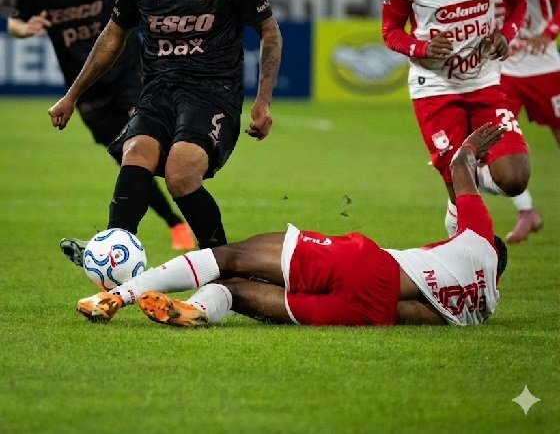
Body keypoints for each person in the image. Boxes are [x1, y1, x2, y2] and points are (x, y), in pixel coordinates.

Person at [76, 123, 508, 328]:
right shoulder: (481, 308)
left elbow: (460, 169)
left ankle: (117, 295)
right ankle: (200, 310)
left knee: (232, 257)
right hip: (369, 315)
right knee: (237, 292)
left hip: (367, 265)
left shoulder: (479, 243)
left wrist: (470, 148)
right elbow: (409, 312)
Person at [48, 0, 282, 263]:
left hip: (212, 92)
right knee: (135, 152)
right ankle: (113, 261)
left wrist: (263, 100)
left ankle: (222, 270)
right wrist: (72, 96)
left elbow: (270, 32)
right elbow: (113, 36)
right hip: (158, 91)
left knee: (180, 171)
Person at [8, 0, 194, 253]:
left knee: (140, 144)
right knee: (129, 158)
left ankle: (132, 236)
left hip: (128, 72)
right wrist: (24, 28)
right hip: (86, 90)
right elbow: (15, 21)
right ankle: (174, 223)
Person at [381, 0, 531, 243]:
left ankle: (463, 175)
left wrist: (505, 34)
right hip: (434, 88)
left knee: (515, 178)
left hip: (484, 81)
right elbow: (390, 30)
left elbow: (517, 4)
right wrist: (421, 49)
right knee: (460, 191)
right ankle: (462, 229)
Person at [474, 0, 560, 242]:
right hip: (503, 72)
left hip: (545, 68)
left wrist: (549, 32)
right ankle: (527, 211)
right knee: (496, 143)